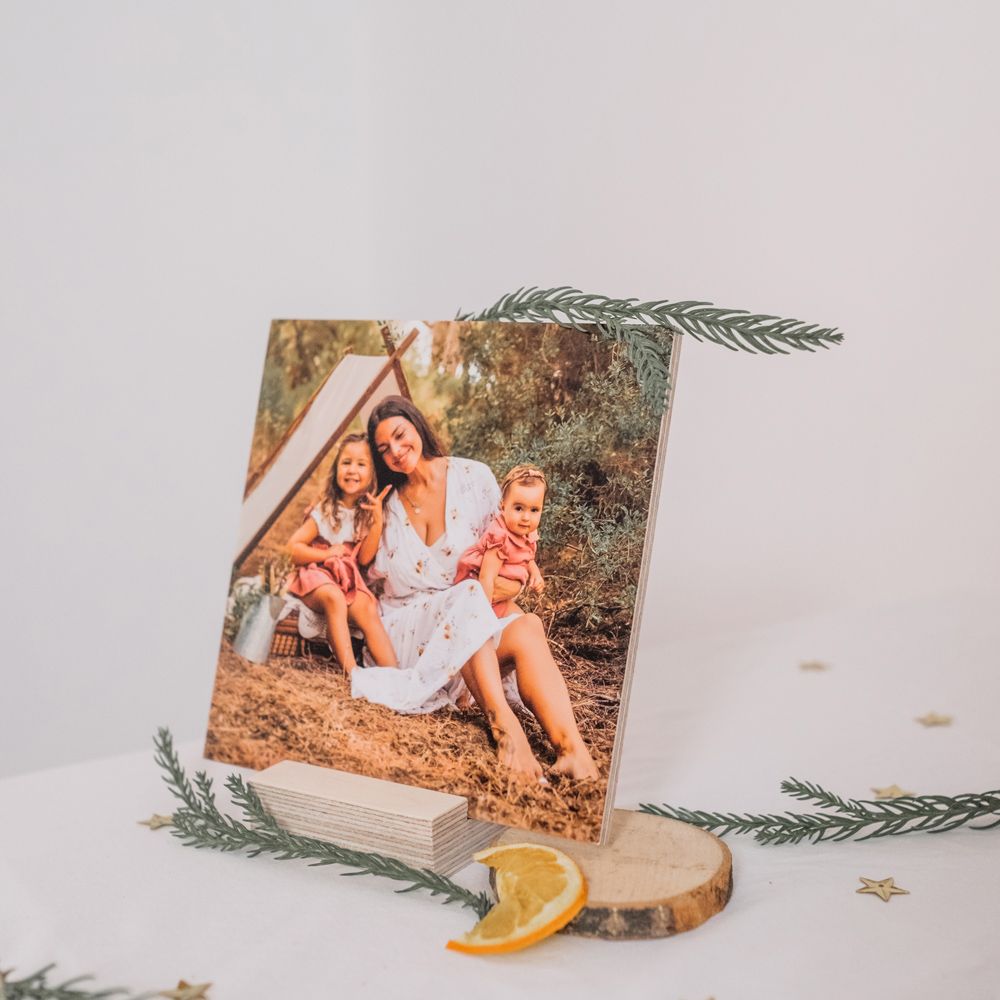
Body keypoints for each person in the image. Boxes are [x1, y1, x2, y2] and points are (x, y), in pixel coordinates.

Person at [349, 396, 598, 783]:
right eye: (384, 449)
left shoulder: (473, 478)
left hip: (474, 621)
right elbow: (363, 574)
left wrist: (510, 590)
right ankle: (506, 731)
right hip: (411, 632)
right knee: (468, 597)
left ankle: (573, 752)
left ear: (417, 424)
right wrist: (375, 524)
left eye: (399, 435)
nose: (395, 451)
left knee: (528, 626)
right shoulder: (388, 506)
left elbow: (513, 548)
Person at [285, 433, 397, 675]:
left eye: (361, 464)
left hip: (345, 579)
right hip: (316, 577)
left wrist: (377, 521)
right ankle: (353, 674)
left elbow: (364, 559)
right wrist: (327, 554)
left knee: (367, 607)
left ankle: (396, 677)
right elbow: (292, 549)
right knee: (334, 597)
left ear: (372, 473)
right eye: (346, 462)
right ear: (336, 468)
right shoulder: (326, 510)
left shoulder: (366, 514)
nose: (352, 470)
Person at [454, 464, 547, 617]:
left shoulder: (527, 531)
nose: (526, 517)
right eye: (518, 508)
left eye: (534, 510)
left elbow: (527, 556)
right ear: (503, 505)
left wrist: (535, 573)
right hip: (482, 590)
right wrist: (483, 615)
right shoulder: (500, 537)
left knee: (527, 622)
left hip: (499, 595)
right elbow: (487, 577)